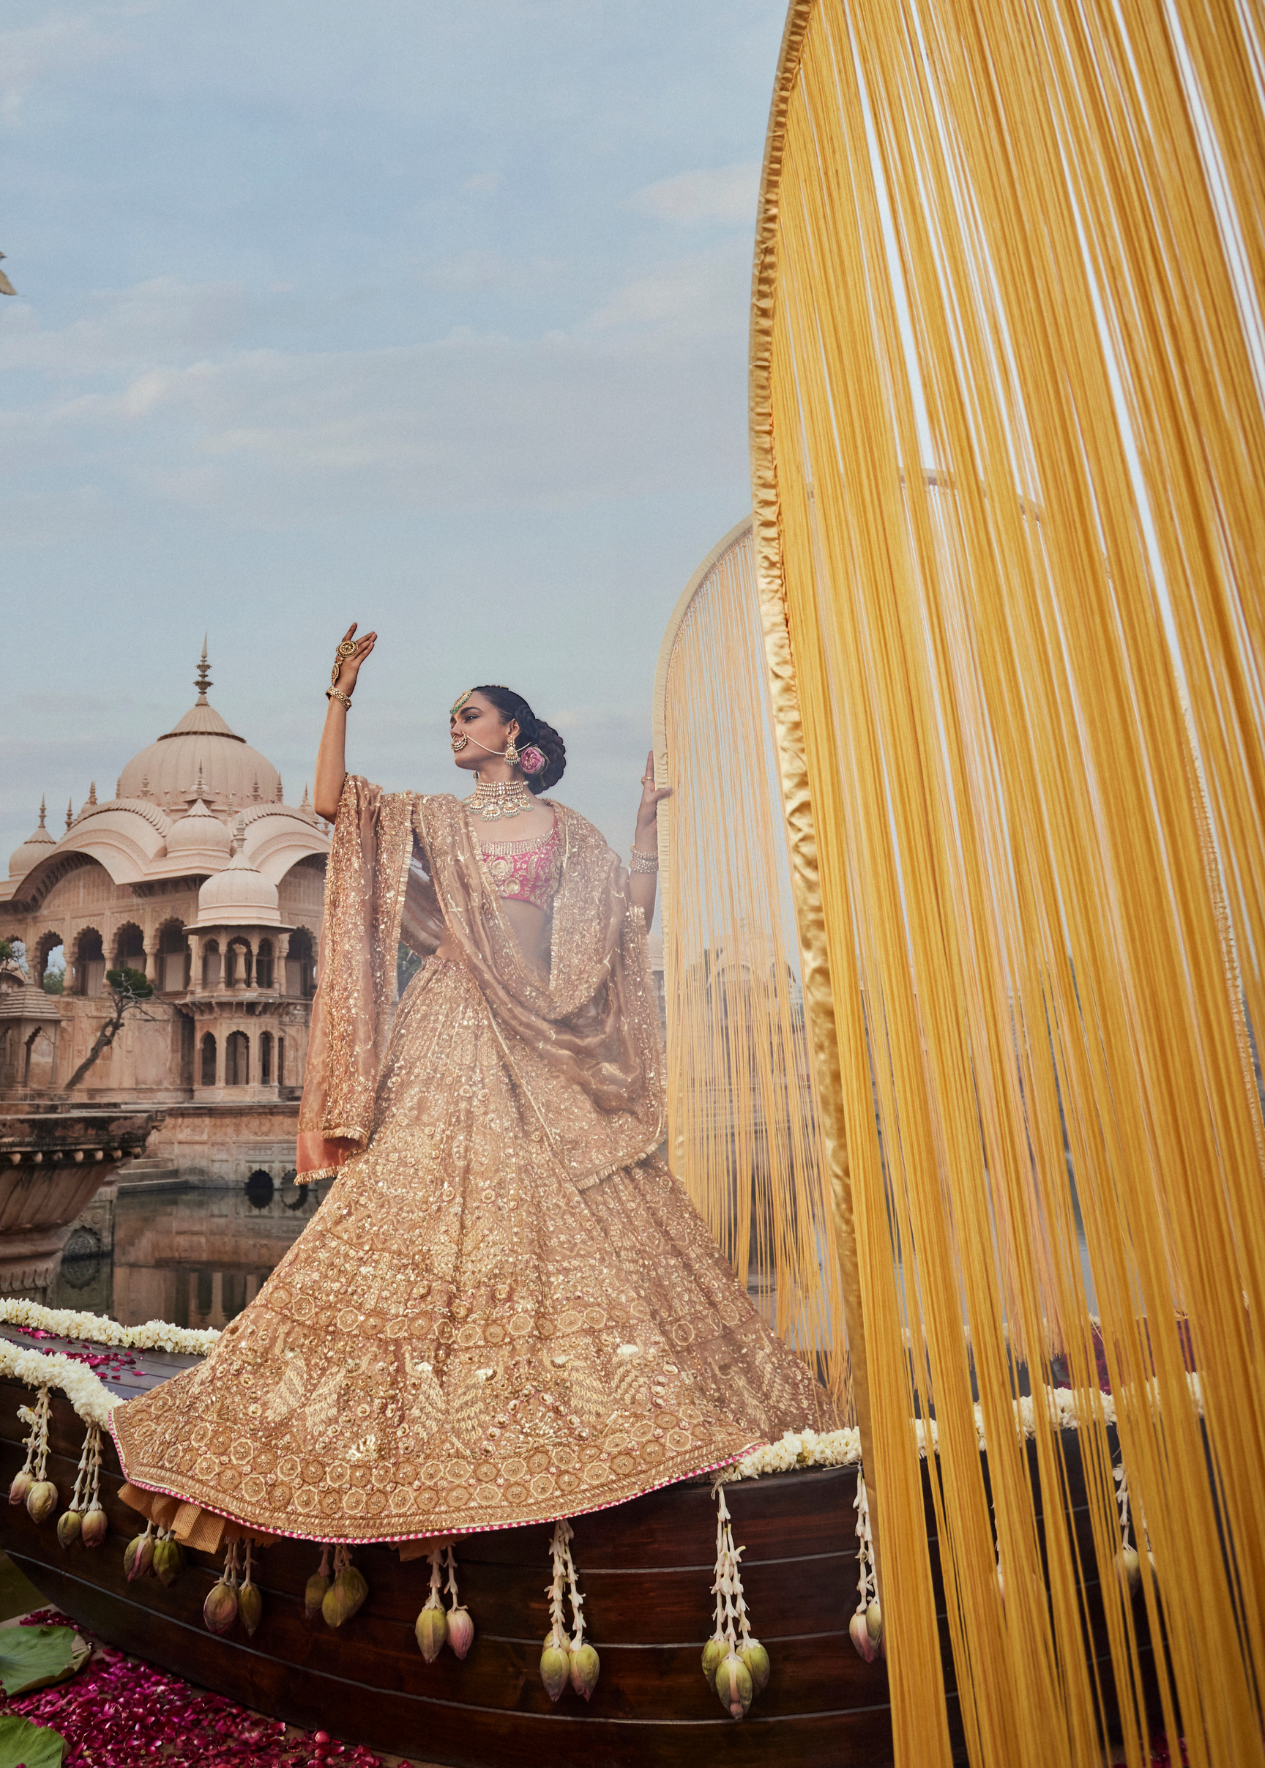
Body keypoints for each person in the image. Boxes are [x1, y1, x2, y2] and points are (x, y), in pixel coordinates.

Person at [111, 626, 823, 1545]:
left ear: (514, 734)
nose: (455, 727)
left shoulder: (571, 832)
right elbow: (329, 803)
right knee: (417, 1211)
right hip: (450, 1024)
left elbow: (624, 925)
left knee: (579, 1218)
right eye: (450, 717)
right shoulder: (437, 822)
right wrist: (340, 697)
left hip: (543, 1035)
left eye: (470, 714)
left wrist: (647, 832)